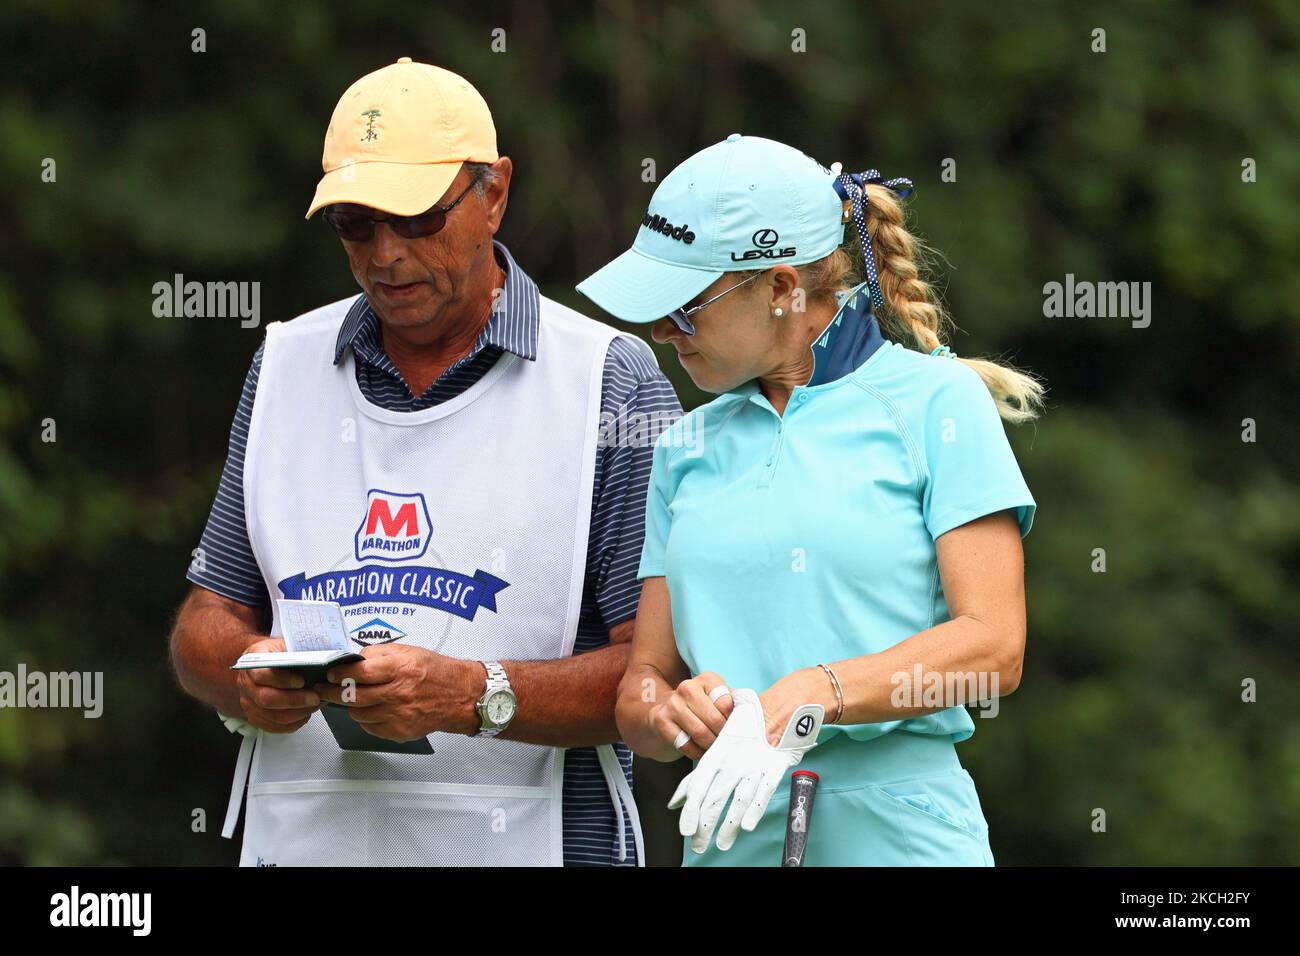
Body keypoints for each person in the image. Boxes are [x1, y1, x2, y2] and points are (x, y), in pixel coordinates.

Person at [168, 58, 681, 866]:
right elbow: (208, 619)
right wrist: (247, 670)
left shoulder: (608, 379)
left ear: (495, 194)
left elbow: (664, 671)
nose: (385, 254)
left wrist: (476, 696)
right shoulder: (284, 362)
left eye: (416, 220)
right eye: (355, 224)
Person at [577, 134, 1043, 866]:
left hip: (902, 833)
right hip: (727, 828)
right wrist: (664, 715)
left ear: (781, 287)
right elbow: (642, 684)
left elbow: (995, 646)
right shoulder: (682, 445)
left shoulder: (937, 403)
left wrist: (815, 692)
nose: (662, 331)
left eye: (686, 307)